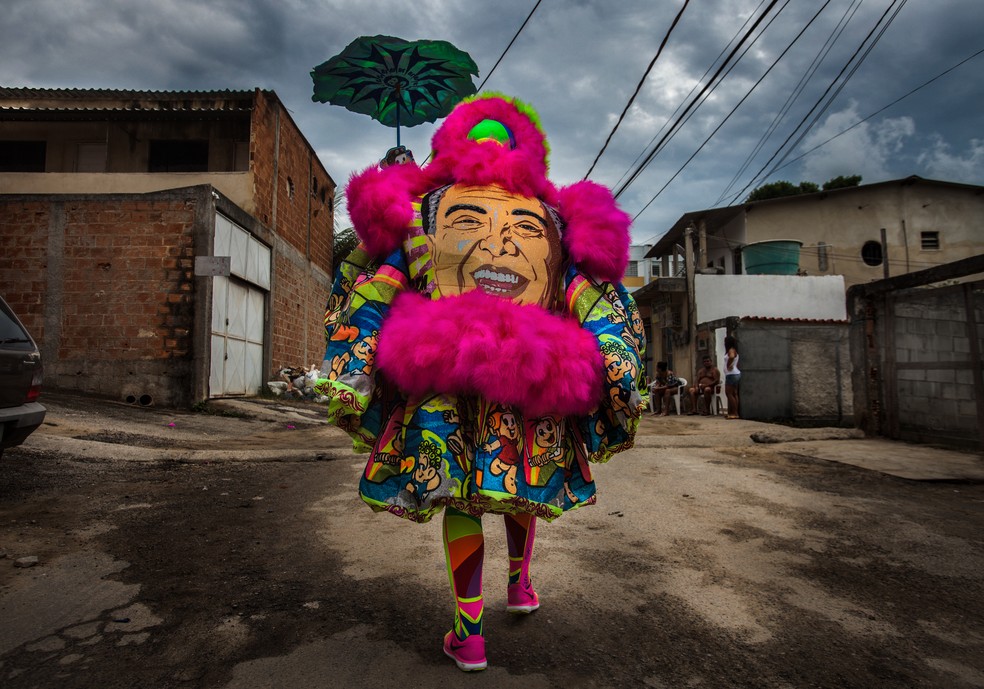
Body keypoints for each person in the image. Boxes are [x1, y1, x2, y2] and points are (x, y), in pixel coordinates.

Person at [317, 95, 642, 672]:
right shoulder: (553, 215)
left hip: (444, 380)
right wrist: (617, 367)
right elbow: (590, 298)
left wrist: (350, 369)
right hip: (532, 379)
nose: (499, 242)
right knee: (519, 484)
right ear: (524, 149)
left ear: (455, 146)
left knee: (461, 499)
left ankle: (469, 634)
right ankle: (519, 587)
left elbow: (374, 285)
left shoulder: (425, 208)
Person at [724, 335, 741, 419]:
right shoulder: (735, 350)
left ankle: (735, 413)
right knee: (734, 393)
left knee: (729, 393)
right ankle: (735, 412)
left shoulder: (731, 350)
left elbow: (731, 357)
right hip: (736, 373)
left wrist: (728, 365)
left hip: (731, 374)